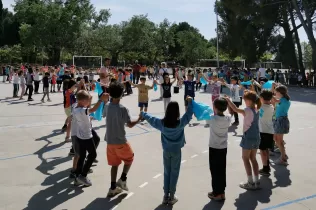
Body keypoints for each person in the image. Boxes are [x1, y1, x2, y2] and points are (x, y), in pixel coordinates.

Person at [141, 97, 193, 205]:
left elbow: (151, 119)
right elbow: (189, 114)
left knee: (166, 172)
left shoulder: (162, 123)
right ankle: (172, 196)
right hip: (176, 151)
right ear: (177, 112)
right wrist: (190, 102)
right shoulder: (180, 123)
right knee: (174, 173)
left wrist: (143, 114)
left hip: (166, 150)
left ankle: (165, 195)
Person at [105, 81, 142, 197]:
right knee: (130, 158)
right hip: (120, 140)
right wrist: (140, 119)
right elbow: (130, 124)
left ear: (110, 94)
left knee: (114, 164)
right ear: (122, 94)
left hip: (109, 141)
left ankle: (112, 187)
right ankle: (122, 179)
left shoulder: (107, 106)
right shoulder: (123, 109)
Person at [224, 90, 261, 190]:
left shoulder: (247, 110)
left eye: (245, 100)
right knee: (253, 159)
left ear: (250, 101)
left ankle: (250, 182)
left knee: (245, 158)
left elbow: (235, 109)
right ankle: (257, 181)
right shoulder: (257, 109)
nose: (244, 101)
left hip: (248, 137)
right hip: (256, 137)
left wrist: (228, 100)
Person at [73, 90, 108, 187]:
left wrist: (89, 118)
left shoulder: (76, 108)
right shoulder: (82, 110)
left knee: (82, 157)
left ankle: (77, 177)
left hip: (80, 136)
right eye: (88, 100)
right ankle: (83, 176)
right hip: (86, 137)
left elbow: (86, 113)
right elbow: (92, 110)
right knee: (93, 154)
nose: (89, 102)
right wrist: (100, 100)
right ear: (83, 101)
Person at [206, 97, 231, 201]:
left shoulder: (212, 118)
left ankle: (216, 192)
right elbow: (229, 113)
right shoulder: (228, 118)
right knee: (221, 169)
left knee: (214, 170)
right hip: (223, 147)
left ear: (215, 107)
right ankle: (222, 192)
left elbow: (206, 119)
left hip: (214, 147)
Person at [272, 85, 291, 165]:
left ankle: (283, 158)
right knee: (275, 138)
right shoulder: (282, 99)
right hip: (278, 120)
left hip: (281, 121)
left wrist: (268, 92)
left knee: (279, 140)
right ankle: (283, 154)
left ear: (280, 93)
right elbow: (274, 101)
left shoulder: (283, 100)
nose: (275, 93)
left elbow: (274, 99)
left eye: (276, 92)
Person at [258, 90, 274, 176]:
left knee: (262, 151)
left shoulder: (262, 108)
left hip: (263, 131)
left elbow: (257, 113)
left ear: (262, 98)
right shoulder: (271, 106)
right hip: (269, 131)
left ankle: (265, 168)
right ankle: (267, 166)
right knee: (266, 150)